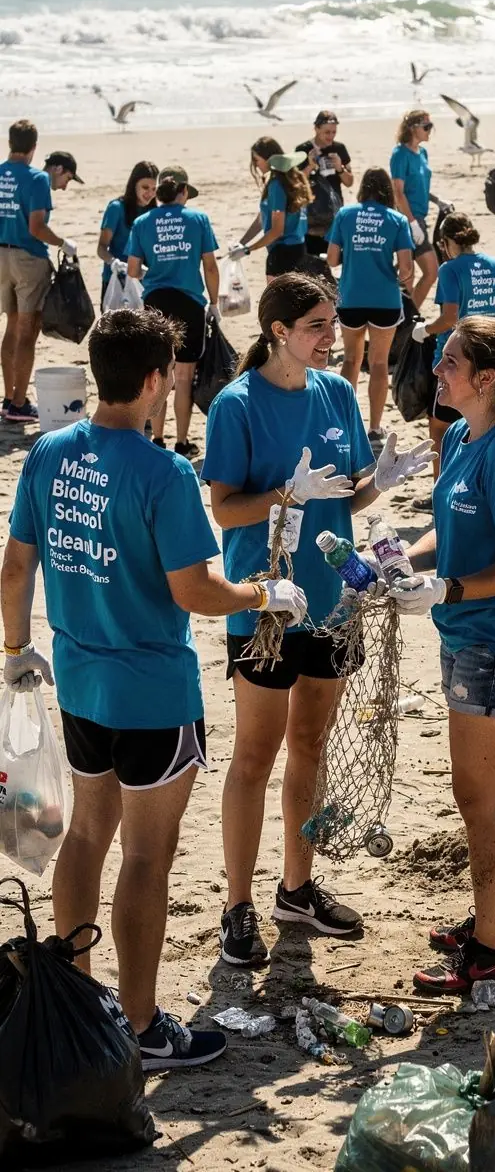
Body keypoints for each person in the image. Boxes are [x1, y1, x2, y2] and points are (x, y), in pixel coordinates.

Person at [1, 307, 308, 1069]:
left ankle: (81, 1006)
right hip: (153, 693)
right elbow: (195, 591)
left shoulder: (49, 451)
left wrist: (15, 648)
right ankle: (140, 1027)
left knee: (86, 834)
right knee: (146, 857)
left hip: (79, 680)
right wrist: (263, 595)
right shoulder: (163, 471)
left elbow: (14, 568)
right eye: (169, 373)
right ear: (151, 380)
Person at [201, 273, 432, 967]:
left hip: (333, 601)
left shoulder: (335, 392)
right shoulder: (236, 404)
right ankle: (237, 906)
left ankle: (295, 889)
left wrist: (378, 482)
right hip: (266, 605)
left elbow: (344, 498)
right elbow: (224, 511)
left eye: (333, 323)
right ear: (279, 332)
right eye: (318, 326)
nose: (334, 337)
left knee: (311, 743)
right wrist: (283, 496)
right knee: (254, 756)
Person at [389, 317, 495, 993]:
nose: (436, 370)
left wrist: (448, 587)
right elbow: (448, 530)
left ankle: (488, 951)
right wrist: (403, 560)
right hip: (464, 634)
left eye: (450, 362)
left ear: (485, 379)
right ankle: (492, 923)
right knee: (490, 793)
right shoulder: (459, 435)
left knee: (475, 797)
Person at [410, 211, 495, 514]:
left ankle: (441, 492)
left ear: (446, 242)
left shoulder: (450, 269)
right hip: (489, 358)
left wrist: (425, 330)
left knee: (440, 428)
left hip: (456, 360)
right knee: (484, 423)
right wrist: (491, 328)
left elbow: (449, 318)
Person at [126, 164, 218, 459]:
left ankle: (156, 438)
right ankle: (181, 441)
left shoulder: (142, 222)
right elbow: (210, 266)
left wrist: (155, 274)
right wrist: (214, 302)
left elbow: (132, 269)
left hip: (156, 300)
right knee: (184, 376)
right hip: (189, 301)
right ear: (182, 192)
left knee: (158, 371)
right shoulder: (198, 218)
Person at [325, 166, 413, 448]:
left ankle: (345, 423)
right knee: (379, 363)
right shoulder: (397, 219)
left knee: (351, 360)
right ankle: (374, 429)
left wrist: (355, 258)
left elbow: (332, 259)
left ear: (363, 188)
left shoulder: (345, 214)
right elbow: (407, 270)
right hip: (384, 298)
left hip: (351, 296)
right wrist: (389, 270)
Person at [0, 122, 79, 425]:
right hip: (27, 258)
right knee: (27, 330)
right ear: (34, 147)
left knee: (11, 325)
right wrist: (62, 243)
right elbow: (36, 227)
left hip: (1, 256)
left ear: (10, 142)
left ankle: (8, 397)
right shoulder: (36, 178)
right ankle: (19, 403)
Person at [230, 137, 310, 281]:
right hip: (299, 250)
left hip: (282, 254)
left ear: (269, 159)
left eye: (257, 160)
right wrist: (242, 243)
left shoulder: (276, 186)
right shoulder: (292, 180)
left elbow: (276, 231)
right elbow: (262, 218)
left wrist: (248, 250)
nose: (256, 164)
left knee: (278, 296)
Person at [390, 109, 438, 310]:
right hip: (406, 220)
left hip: (420, 218)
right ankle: (405, 317)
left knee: (430, 271)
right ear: (412, 128)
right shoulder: (400, 154)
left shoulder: (423, 153)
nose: (430, 130)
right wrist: (411, 222)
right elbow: (398, 192)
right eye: (426, 126)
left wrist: (437, 200)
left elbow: (420, 186)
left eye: (430, 126)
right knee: (408, 272)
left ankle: (410, 314)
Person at [96, 160, 158, 309]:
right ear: (134, 184)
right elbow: (101, 248)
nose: (150, 193)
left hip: (145, 281)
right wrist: (114, 263)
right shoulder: (117, 208)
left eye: (154, 189)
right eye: (145, 187)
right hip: (117, 280)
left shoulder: (155, 212)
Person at [295, 110, 354, 256]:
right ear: (316, 128)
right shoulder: (303, 150)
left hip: (334, 215)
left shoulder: (339, 149)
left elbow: (349, 182)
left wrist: (340, 168)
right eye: (327, 132)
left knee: (334, 259)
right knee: (312, 260)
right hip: (310, 217)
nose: (331, 136)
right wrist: (310, 166)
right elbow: (295, 183)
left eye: (334, 132)